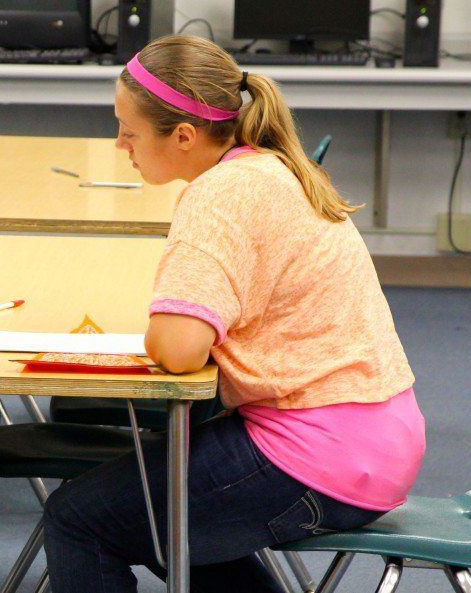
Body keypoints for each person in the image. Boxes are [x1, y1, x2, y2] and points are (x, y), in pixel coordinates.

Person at [43, 36, 426, 592]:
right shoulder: (270, 169)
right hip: (376, 438)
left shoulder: (222, 194)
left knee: (80, 519)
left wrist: (160, 325)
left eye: (127, 128)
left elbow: (177, 349)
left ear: (182, 136)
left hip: (314, 451)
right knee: (172, 524)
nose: (119, 141)